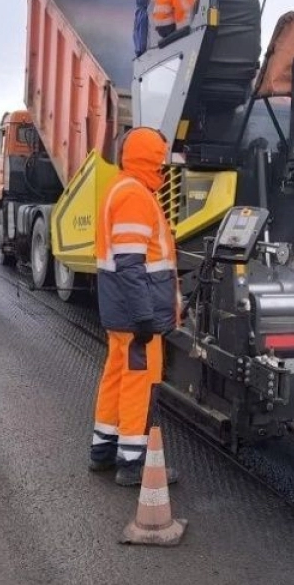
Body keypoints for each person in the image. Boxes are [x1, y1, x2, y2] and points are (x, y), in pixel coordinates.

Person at [89, 127, 179, 486]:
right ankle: (132, 463)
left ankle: (103, 451)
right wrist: (145, 316)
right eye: (161, 158)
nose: (164, 165)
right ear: (150, 158)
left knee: (116, 377)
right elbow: (131, 264)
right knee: (139, 384)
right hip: (137, 316)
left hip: (120, 313)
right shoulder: (135, 196)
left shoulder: (121, 188)